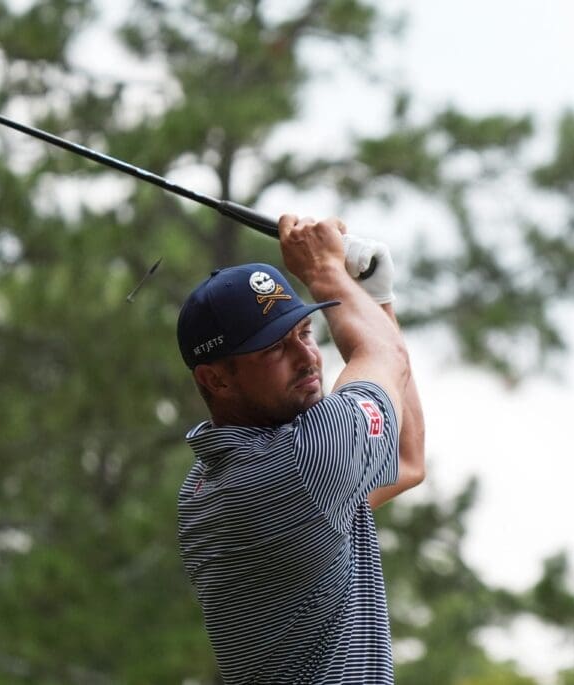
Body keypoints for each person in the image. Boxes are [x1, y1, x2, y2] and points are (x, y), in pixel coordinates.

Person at [175, 214, 426, 683]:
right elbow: (384, 358)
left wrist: (372, 297)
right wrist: (325, 271)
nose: (307, 356)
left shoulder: (203, 488)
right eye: (273, 347)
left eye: (305, 332)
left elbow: (406, 460)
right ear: (216, 379)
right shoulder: (301, 463)